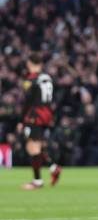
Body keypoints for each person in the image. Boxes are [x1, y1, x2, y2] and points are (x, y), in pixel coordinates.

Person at [20, 54, 62, 189]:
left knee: (33, 147)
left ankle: (37, 181)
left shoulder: (31, 80)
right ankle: (53, 167)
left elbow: (27, 101)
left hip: (35, 115)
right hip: (46, 114)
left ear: (30, 63)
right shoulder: (47, 78)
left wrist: (22, 119)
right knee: (34, 145)